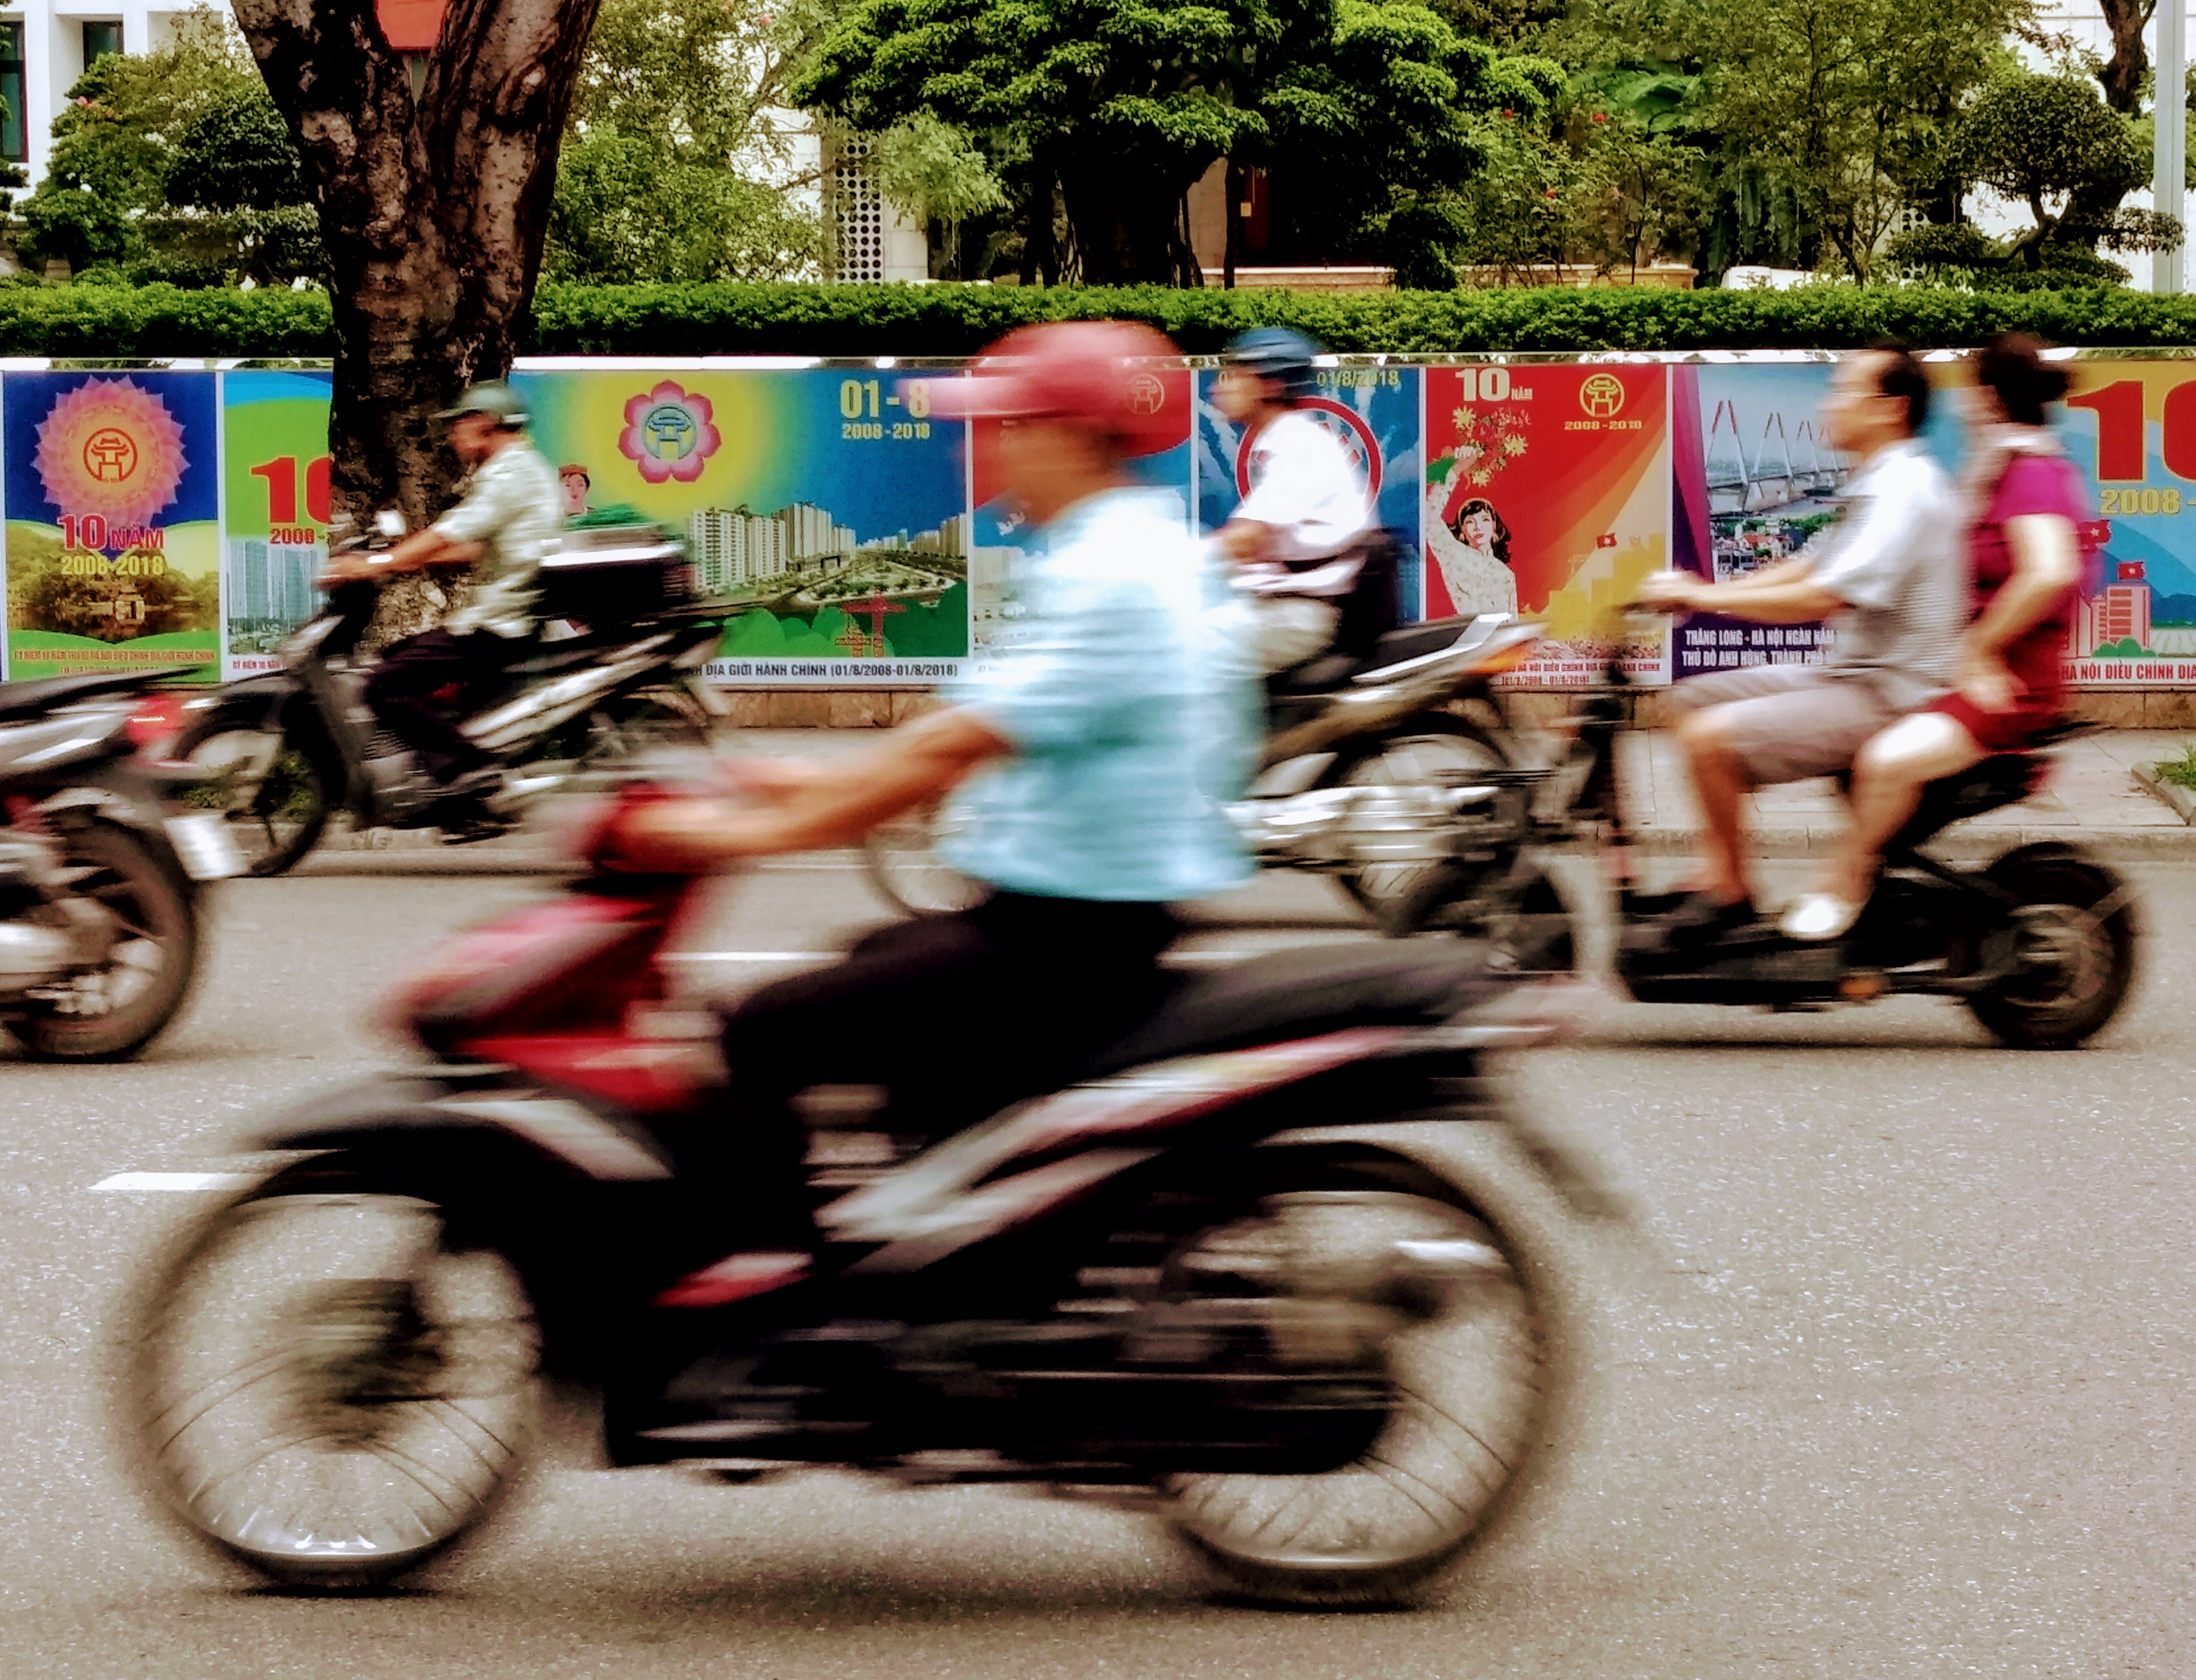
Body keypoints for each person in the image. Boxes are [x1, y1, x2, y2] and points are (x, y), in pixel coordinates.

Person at [606, 320, 1256, 1256]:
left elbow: (939, 754)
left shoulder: (1111, 573)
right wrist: (782, 778)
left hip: (1064, 937)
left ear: (1065, 433)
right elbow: (971, 741)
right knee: (874, 957)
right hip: (1075, 916)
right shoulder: (1123, 547)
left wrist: (717, 837)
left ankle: (784, 1300)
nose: (978, 445)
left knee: (762, 1031)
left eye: (1001, 425)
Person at [1636, 343, 1964, 942]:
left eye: (1845, 392)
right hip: (1848, 676)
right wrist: (1701, 588)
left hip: (1887, 695)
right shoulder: (1877, 481)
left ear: (1891, 409)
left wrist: (1703, 599)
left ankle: (1732, 894)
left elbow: (1822, 598)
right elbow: (1809, 566)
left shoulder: (1903, 490)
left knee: (1711, 742)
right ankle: (1719, 869)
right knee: (1688, 701)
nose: (1830, 405)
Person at [1782, 335, 2089, 940]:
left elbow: (2049, 571)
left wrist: (1978, 648)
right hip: (1968, 676)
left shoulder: (2029, 475)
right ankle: (1878, 890)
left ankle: (1843, 886)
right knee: (1854, 748)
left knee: (1885, 761)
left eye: (1970, 390)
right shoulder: (2003, 468)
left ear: (1987, 398)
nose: (1962, 404)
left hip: (2006, 688)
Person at [324, 381, 562, 804]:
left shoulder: (508, 474)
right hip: (505, 617)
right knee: (397, 657)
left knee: (382, 686)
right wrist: (414, 560)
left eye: (459, 425)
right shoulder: (526, 468)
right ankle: (449, 777)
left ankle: (467, 773)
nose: (453, 435)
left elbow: (449, 531)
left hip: (496, 624)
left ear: (485, 424)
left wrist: (374, 564)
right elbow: (477, 544)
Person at [1210, 327, 1379, 671]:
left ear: (1271, 385)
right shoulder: (1285, 442)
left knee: (1187, 652)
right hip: (1278, 606)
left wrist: (1169, 567)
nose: (1220, 387)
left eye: (1236, 375)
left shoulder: (1298, 444)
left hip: (1298, 616)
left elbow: (1246, 540)